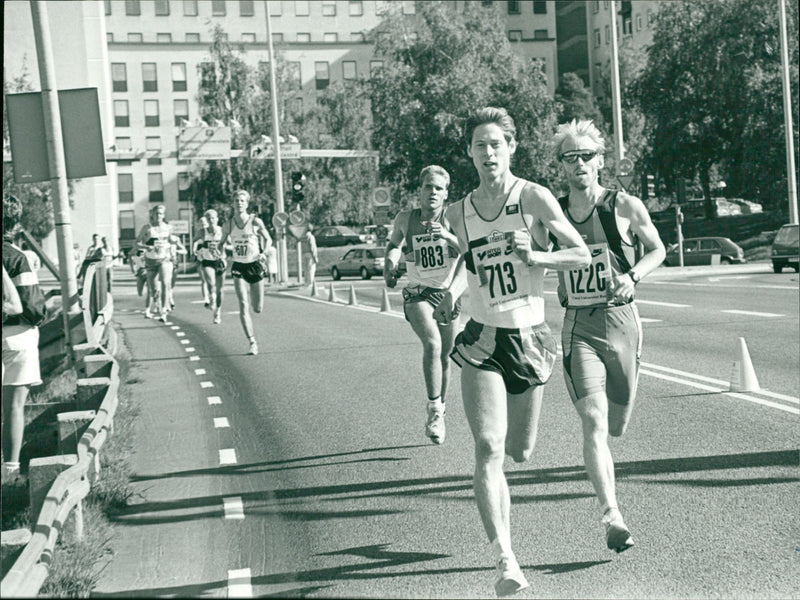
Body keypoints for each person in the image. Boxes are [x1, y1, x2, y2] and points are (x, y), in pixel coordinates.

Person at [433, 107, 590, 597]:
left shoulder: (534, 197)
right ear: (469, 154)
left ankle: (505, 548)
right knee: (488, 446)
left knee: (520, 451)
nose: (488, 153)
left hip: (531, 337)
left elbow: (582, 253)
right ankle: (505, 558)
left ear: (511, 148)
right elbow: (468, 264)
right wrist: (453, 293)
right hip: (483, 338)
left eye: (496, 144)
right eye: (479, 145)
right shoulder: (458, 211)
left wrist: (537, 254)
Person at [550, 119, 666, 553]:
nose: (578, 163)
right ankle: (611, 515)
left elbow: (658, 249)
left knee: (616, 426)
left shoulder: (624, 205)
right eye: (569, 157)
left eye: (585, 156)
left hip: (622, 323)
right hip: (579, 325)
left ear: (600, 160)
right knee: (594, 421)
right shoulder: (553, 212)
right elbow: (539, 255)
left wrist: (633, 275)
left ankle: (611, 503)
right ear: (561, 166)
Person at [384, 165, 464, 445]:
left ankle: (440, 411)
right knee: (433, 344)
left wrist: (447, 236)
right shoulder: (406, 218)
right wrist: (391, 264)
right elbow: (394, 244)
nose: (433, 192)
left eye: (439, 188)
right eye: (428, 186)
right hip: (417, 293)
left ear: (446, 194)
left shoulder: (453, 217)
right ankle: (433, 409)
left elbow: (469, 252)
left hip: (447, 294)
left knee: (446, 356)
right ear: (419, 190)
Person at [2, 195, 47, 484]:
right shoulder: (17, 257)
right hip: (17, 336)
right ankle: (10, 470)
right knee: (14, 407)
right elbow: (32, 309)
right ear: (16, 223)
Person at [221, 190, 272, 355]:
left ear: (247, 203)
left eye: (242, 200)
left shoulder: (255, 222)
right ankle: (252, 342)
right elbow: (220, 243)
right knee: (243, 304)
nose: (239, 203)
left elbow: (269, 238)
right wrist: (219, 255)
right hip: (238, 266)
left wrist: (264, 252)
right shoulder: (228, 224)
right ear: (233, 203)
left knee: (257, 308)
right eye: (236, 200)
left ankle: (253, 337)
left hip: (255, 265)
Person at [136, 205, 185, 322]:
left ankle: (163, 311)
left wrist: (174, 244)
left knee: (165, 283)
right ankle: (157, 302)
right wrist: (146, 247)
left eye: (161, 214)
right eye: (156, 213)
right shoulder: (147, 228)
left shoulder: (168, 228)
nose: (159, 216)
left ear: (164, 215)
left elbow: (171, 240)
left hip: (165, 259)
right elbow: (137, 243)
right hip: (151, 260)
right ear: (152, 214)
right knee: (153, 290)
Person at [194, 209, 226, 324]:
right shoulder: (203, 232)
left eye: (213, 218)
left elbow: (232, 245)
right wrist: (198, 251)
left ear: (217, 219)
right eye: (208, 218)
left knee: (220, 290)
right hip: (207, 261)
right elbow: (194, 241)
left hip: (220, 261)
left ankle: (217, 312)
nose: (211, 220)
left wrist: (223, 248)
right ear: (206, 220)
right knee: (211, 282)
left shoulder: (223, 231)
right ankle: (212, 299)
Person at [193, 215, 212, 307]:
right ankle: (206, 298)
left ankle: (212, 295)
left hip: (212, 257)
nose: (203, 225)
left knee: (212, 280)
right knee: (204, 279)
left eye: (204, 223)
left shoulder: (213, 231)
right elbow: (195, 242)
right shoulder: (200, 233)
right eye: (201, 223)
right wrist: (194, 250)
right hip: (202, 258)